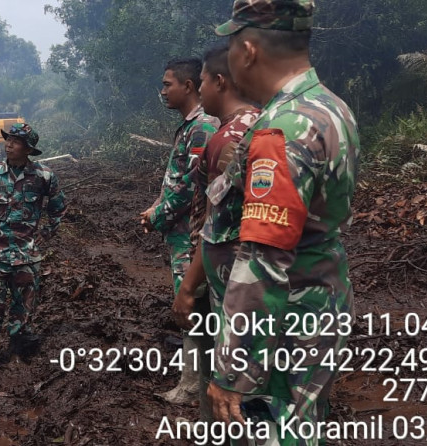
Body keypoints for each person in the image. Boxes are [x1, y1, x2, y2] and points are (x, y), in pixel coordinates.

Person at [207, 0, 359, 443]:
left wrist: (232, 370)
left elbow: (263, 259)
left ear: (248, 50)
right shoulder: (329, 107)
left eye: (231, 44)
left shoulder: (284, 128)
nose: (231, 58)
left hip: (284, 321)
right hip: (319, 302)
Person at [170, 45, 261, 422]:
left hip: (229, 277)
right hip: (269, 279)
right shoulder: (268, 122)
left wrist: (189, 286)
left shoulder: (225, 140)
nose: (201, 90)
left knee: (225, 374)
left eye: (204, 81)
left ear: (218, 81)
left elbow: (216, 225)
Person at [140, 58, 220, 404]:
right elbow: (175, 180)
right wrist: (156, 207)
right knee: (194, 305)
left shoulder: (202, 127)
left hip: (193, 236)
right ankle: (194, 382)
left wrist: (156, 216)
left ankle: (195, 387)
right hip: (183, 234)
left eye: (167, 84)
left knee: (193, 304)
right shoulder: (190, 126)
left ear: (189, 86)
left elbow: (190, 187)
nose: (162, 91)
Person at [0, 123, 67, 372]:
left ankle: (16, 354)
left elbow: (58, 207)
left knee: (22, 310)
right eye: (8, 139)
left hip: (26, 256)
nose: (9, 144)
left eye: (16, 141)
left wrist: (45, 234)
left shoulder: (43, 177)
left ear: (28, 148)